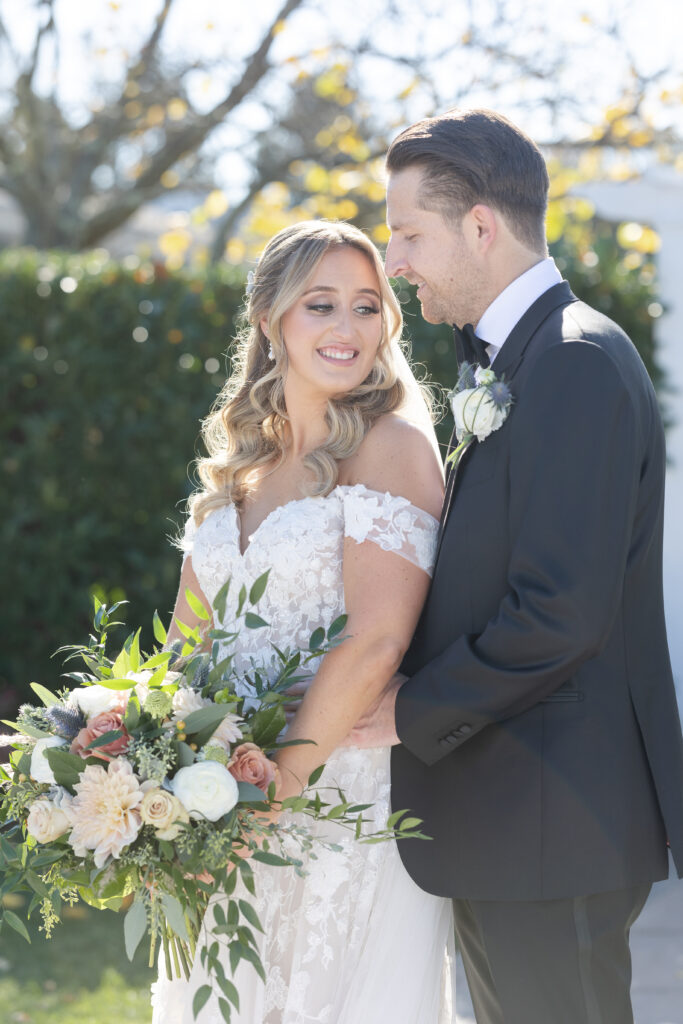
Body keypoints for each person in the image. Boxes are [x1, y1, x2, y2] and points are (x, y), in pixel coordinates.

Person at [349, 107, 683, 1024]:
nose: (398, 262)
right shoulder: (520, 358)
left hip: (552, 822)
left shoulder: (571, 363)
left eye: (409, 233)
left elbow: (557, 613)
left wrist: (405, 713)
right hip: (518, 823)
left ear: (482, 226)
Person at [150, 220, 455, 1023]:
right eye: (320, 305)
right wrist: (161, 776)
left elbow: (378, 639)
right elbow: (183, 649)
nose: (346, 329)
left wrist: (277, 784)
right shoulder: (239, 467)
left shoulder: (389, 446)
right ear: (269, 319)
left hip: (330, 795)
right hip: (219, 802)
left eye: (365, 306)